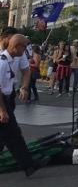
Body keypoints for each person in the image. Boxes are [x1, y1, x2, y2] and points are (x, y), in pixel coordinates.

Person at [1, 34, 45, 177]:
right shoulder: (2, 63)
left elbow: (26, 71)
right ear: (16, 46)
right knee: (14, 135)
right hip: (2, 102)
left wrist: (23, 88)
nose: (25, 50)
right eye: (24, 47)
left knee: (8, 135)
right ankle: (29, 165)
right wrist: (2, 110)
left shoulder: (9, 60)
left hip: (7, 99)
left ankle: (28, 165)